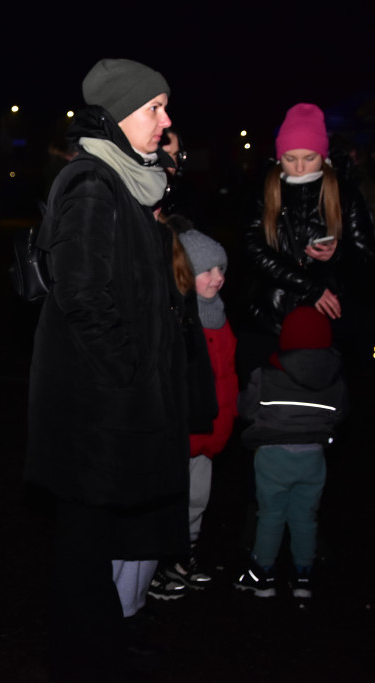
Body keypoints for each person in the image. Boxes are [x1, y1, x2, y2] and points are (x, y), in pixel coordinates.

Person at [25, 58, 188, 681]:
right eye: (154, 108)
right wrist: (132, 376)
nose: (165, 120)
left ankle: (104, 645)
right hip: (94, 407)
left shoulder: (130, 178)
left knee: (102, 535)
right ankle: (83, 657)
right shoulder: (94, 183)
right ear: (121, 114)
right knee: (83, 541)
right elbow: (84, 297)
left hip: (115, 399)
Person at [240, 103, 375, 381]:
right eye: (289, 158)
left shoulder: (345, 194)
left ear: (323, 156)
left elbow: (367, 261)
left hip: (329, 326)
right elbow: (252, 248)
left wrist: (339, 253)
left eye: (309, 157)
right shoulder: (266, 189)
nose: (299, 167)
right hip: (271, 320)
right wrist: (311, 288)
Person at [151, 220, 239, 600]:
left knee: (198, 498)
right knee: (170, 497)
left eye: (221, 269)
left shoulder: (220, 313)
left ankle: (184, 557)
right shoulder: (180, 320)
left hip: (212, 428)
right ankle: (156, 565)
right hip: (185, 429)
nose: (217, 278)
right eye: (207, 271)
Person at [234, 306, 347, 601]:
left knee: (270, 515)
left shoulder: (267, 375)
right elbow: (340, 414)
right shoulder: (335, 379)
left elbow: (245, 409)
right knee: (306, 517)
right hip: (314, 457)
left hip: (273, 455)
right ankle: (302, 577)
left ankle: (262, 575)